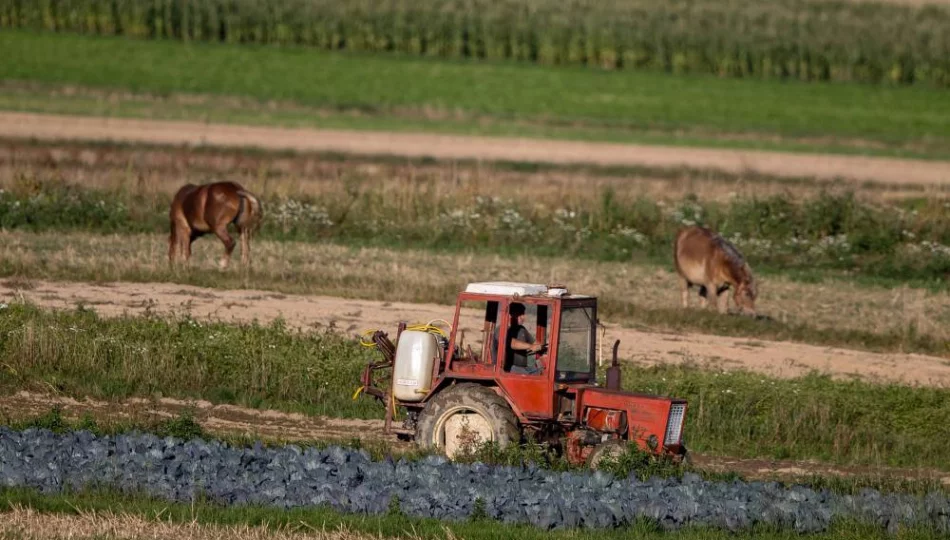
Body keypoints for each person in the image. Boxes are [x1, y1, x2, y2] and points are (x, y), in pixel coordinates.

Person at [492, 302, 544, 373]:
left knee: (541, 371)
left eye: (523, 314)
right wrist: (531, 346)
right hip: (507, 369)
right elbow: (511, 343)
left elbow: (535, 343)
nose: (523, 317)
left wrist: (540, 347)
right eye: (520, 314)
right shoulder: (501, 329)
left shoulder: (522, 329)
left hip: (522, 368)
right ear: (511, 315)